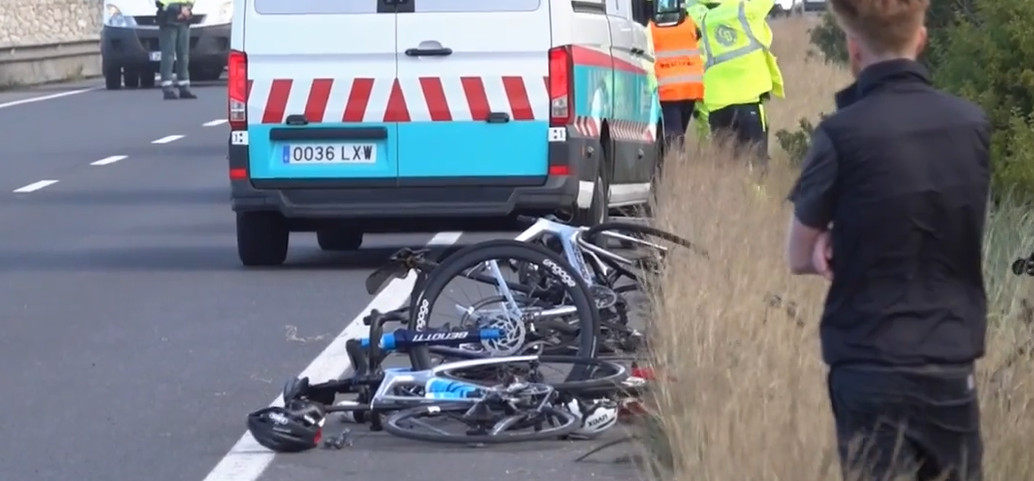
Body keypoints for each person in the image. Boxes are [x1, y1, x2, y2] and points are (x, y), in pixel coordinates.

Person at [784, 0, 990, 479]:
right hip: (948, 360)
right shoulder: (972, 125)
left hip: (868, 362)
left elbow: (797, 255)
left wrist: (827, 241)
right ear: (921, 40)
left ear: (853, 50)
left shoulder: (839, 134)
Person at [689, 0, 783, 165]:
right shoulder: (747, 11)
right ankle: (755, 190)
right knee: (756, 163)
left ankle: (729, 190)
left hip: (718, 104)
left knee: (726, 164)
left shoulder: (702, 17)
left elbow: (689, 5)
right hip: (748, 99)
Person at [649, 0, 706, 147]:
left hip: (668, 89)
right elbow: (698, 34)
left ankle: (677, 163)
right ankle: (675, 160)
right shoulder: (689, 22)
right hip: (691, 88)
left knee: (673, 135)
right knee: (678, 131)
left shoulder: (650, 28)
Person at [156, 0, 197, 100]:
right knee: (168, 55)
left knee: (183, 55)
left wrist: (187, 9)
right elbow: (161, 2)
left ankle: (184, 87)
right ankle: (167, 88)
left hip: (183, 20)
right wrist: (179, 9)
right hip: (169, 19)